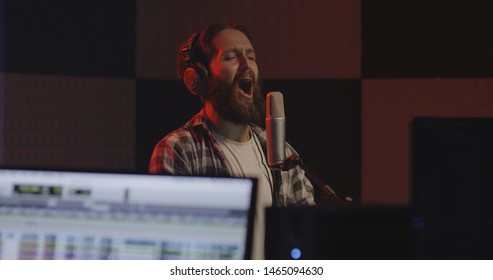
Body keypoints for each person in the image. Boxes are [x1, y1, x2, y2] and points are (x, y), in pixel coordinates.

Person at [149, 23, 315, 259]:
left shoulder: (280, 151)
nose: (247, 65)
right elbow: (169, 250)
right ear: (200, 77)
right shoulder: (178, 150)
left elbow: (308, 237)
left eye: (251, 56)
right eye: (231, 57)